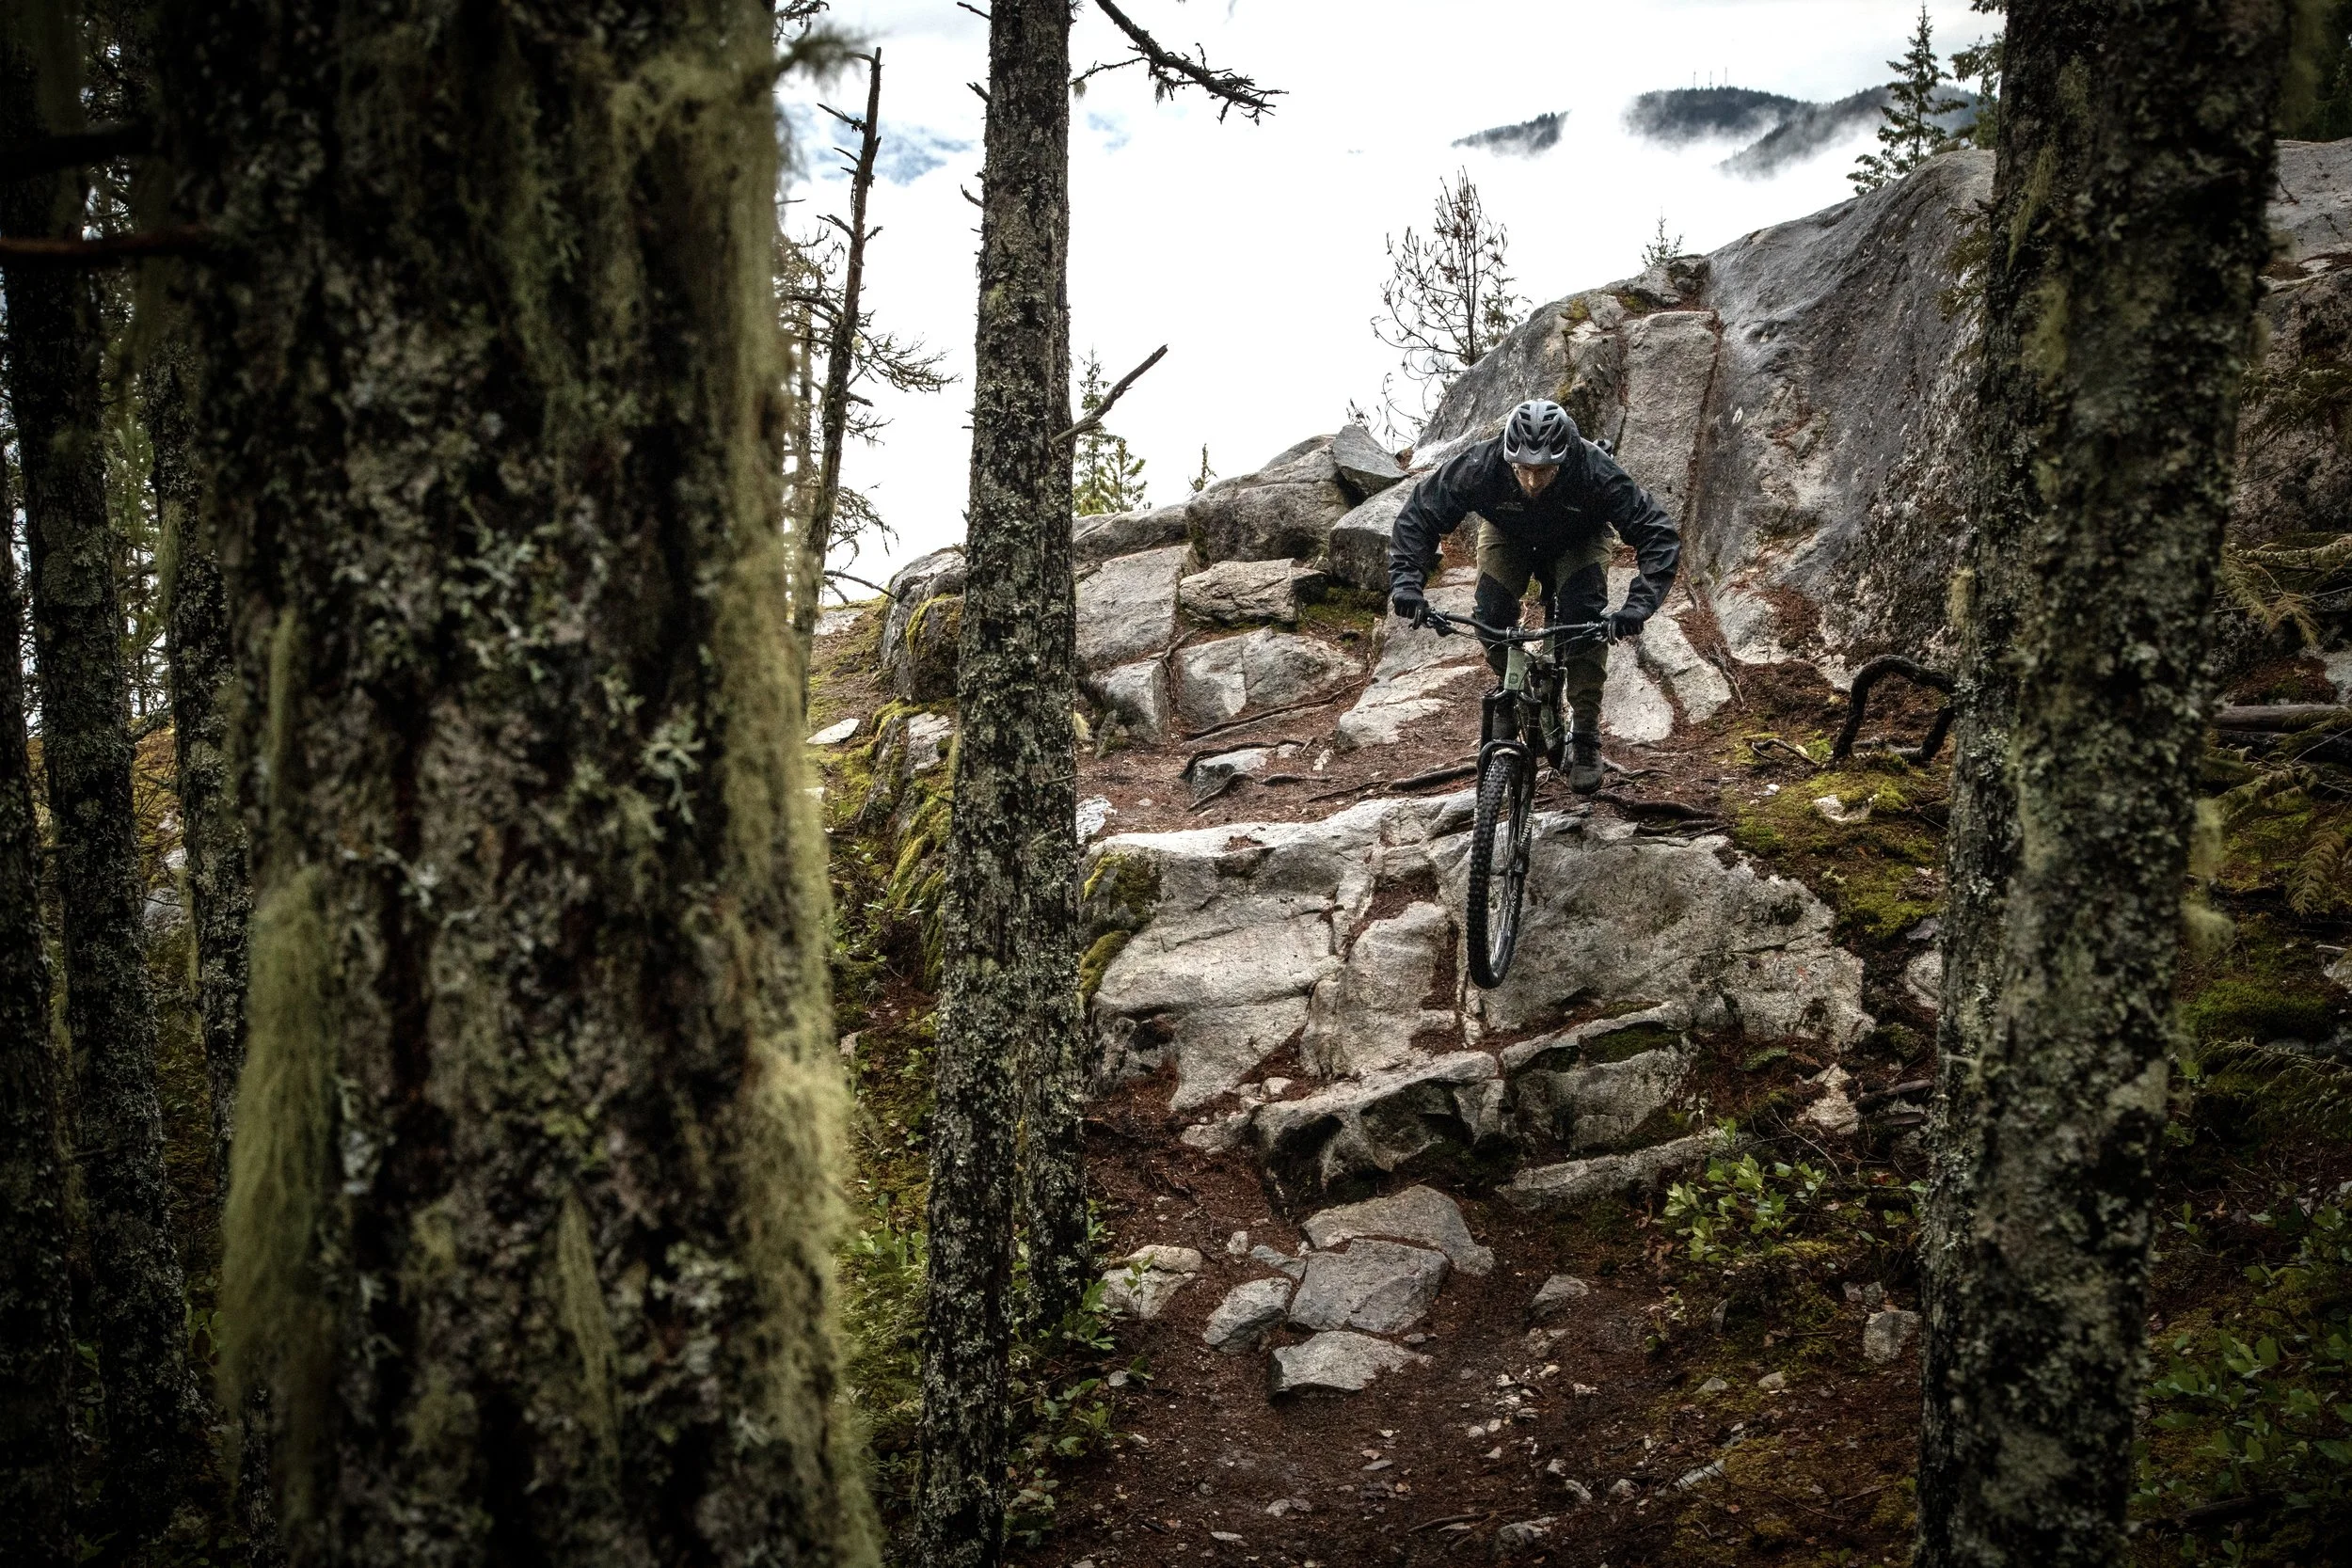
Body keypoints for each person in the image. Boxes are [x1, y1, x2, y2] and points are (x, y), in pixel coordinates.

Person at [1387, 398, 1681, 794]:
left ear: (1563, 459)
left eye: (1543, 471)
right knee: (1490, 614)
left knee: (1584, 618)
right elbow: (1420, 514)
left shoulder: (1594, 469)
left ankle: (1586, 731)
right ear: (1509, 457)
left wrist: (1636, 607)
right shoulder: (1482, 465)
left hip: (1579, 538)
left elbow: (1657, 534)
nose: (1531, 481)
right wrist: (1407, 583)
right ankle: (1515, 689)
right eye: (1523, 469)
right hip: (1508, 535)